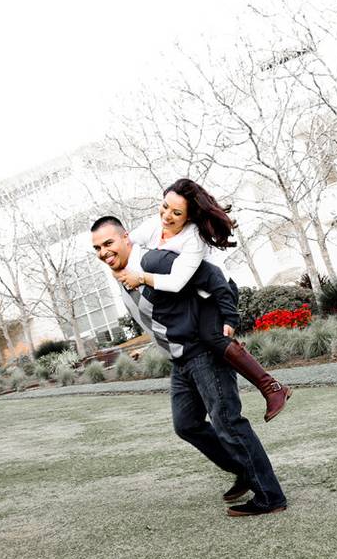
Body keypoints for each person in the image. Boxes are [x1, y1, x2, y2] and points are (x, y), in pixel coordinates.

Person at [91, 215, 287, 517]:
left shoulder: (154, 261)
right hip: (180, 361)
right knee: (186, 425)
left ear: (125, 238)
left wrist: (227, 319)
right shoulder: (121, 276)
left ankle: (270, 495)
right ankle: (244, 470)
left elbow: (213, 275)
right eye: (97, 248)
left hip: (203, 352)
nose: (104, 252)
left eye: (108, 243)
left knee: (227, 422)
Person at [112, 178, 291, 422]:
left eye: (176, 212)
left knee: (213, 336)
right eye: (165, 206)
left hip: (218, 293)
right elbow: (128, 244)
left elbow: (176, 282)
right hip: (195, 294)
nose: (166, 216)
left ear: (188, 216)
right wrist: (119, 265)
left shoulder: (192, 237)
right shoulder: (154, 225)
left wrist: (140, 277)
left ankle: (271, 387)